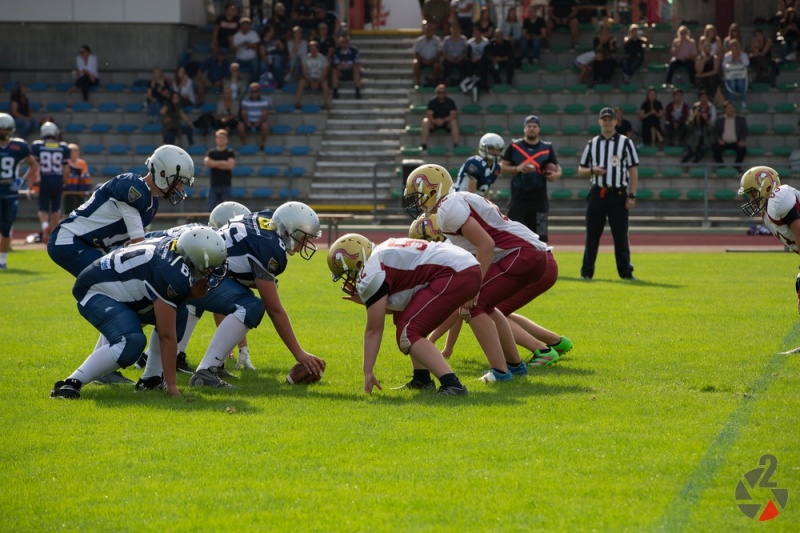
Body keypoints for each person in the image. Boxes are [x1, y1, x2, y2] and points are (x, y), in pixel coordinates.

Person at [47, 145, 195, 383]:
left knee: (126, 295)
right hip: (70, 242)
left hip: (89, 246)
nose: (179, 187)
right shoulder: (133, 188)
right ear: (163, 173)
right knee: (123, 294)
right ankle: (105, 367)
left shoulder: (150, 201)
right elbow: (139, 243)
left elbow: (133, 245)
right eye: (178, 181)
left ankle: (105, 364)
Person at [404, 163, 552, 382]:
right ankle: (515, 366)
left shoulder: (447, 209)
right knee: (487, 307)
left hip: (520, 254)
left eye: (419, 194)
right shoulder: (455, 201)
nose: (417, 201)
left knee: (474, 306)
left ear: (433, 189)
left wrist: (473, 287)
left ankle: (501, 372)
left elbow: (486, 244)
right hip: (526, 254)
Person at [50, 228, 228, 400]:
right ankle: (71, 383)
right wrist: (172, 385)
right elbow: (166, 336)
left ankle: (151, 379)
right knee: (131, 341)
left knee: (179, 314)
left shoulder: (175, 252)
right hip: (95, 291)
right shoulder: (170, 272)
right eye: (208, 267)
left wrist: (189, 295)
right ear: (194, 258)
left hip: (119, 288)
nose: (209, 273)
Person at [188, 202, 327, 388]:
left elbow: (233, 270)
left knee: (241, 298)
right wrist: (299, 353)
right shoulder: (271, 249)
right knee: (252, 306)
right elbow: (274, 310)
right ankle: (205, 370)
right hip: (198, 277)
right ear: (288, 232)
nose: (304, 245)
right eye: (303, 238)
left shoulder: (267, 219)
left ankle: (194, 366)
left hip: (197, 268)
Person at [409, 213, 572, 368]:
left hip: (528, 263)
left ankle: (542, 351)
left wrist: (433, 340)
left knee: (487, 312)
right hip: (541, 261)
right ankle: (556, 342)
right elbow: (460, 307)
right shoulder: (456, 237)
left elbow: (458, 308)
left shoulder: (451, 248)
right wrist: (447, 347)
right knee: (493, 310)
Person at [328, 233, 474, 395]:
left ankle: (453, 385)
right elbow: (396, 307)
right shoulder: (381, 252)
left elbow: (374, 329)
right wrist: (368, 301)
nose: (349, 279)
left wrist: (367, 371)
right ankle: (422, 379)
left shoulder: (370, 271)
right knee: (403, 318)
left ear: (357, 261)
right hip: (463, 266)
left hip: (456, 272)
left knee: (408, 333)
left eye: (347, 273)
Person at [578, 107, 640, 281]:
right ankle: (587, 272)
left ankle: (626, 272)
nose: (607, 122)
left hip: (618, 194)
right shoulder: (592, 143)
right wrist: (593, 170)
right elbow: (581, 169)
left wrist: (632, 194)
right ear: (599, 122)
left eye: (609, 119)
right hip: (597, 193)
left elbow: (633, 170)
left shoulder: (625, 143)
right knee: (592, 235)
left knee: (620, 235)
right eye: (604, 119)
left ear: (615, 121)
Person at [737, 166, 800, 312]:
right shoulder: (767, 214)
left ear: (766, 186)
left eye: (753, 194)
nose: (752, 200)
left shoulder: (778, 199)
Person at [499, 115, 561, 243]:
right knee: (512, 235)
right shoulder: (514, 146)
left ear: (539, 129)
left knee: (541, 237)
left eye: (534, 126)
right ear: (524, 129)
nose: (532, 129)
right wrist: (517, 168)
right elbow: (502, 166)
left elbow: (558, 169)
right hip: (518, 198)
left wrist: (554, 175)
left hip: (539, 198)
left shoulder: (547, 148)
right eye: (529, 126)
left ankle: (542, 263)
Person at [0, 113, 39, 270]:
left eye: (4, 129)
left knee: (6, 227)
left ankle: (2, 261)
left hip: (9, 190)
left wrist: (21, 180)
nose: (2, 132)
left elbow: (33, 165)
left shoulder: (19, 146)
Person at [31, 122, 70, 244]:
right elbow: (66, 170)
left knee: (43, 208)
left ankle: (44, 226)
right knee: (55, 208)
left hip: (44, 179)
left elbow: (35, 165)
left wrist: (33, 181)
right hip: (57, 179)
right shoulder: (63, 147)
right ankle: (54, 233)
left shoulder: (38, 146)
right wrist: (64, 181)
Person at [454, 132, 504, 197]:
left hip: (475, 202)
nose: (494, 152)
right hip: (460, 200)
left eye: (497, 150)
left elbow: (485, 192)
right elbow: (471, 195)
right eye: (491, 149)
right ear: (484, 147)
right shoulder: (475, 163)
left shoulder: (495, 167)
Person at [419, 83, 459, 151]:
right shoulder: (432, 102)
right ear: (436, 93)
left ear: (445, 93)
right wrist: (435, 121)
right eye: (439, 92)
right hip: (434, 123)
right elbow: (429, 114)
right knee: (425, 121)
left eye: (443, 92)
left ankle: (456, 143)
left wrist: (443, 120)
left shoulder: (450, 102)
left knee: (454, 122)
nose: (441, 94)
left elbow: (453, 114)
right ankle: (424, 144)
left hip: (446, 123)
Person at [204, 130, 236, 211]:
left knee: (226, 210)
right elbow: (207, 163)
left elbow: (230, 166)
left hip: (226, 186)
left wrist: (214, 163)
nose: (221, 139)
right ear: (216, 139)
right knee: (210, 210)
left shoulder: (230, 152)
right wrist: (222, 163)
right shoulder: (211, 152)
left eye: (223, 138)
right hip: (213, 185)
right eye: (219, 138)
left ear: (227, 140)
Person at [712, 100, 748, 171]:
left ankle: (736, 167)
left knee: (743, 149)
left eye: (732, 107)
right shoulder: (720, 120)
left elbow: (745, 131)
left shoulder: (740, 119)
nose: (731, 109)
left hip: (736, 142)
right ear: (725, 109)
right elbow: (715, 132)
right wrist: (719, 140)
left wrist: (742, 140)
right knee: (715, 147)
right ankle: (721, 167)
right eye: (728, 108)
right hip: (723, 142)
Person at [682, 89, 716, 163]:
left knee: (702, 150)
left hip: (702, 141)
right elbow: (688, 126)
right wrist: (694, 116)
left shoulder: (704, 122)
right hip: (693, 141)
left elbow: (710, 130)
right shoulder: (692, 122)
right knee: (691, 151)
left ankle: (694, 164)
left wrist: (706, 120)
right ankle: (682, 164)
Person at [295, 40, 330, 110]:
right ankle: (298, 102)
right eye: (311, 49)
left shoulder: (323, 58)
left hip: (319, 78)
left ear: (317, 49)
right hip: (308, 78)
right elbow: (304, 72)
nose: (312, 50)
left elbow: (324, 73)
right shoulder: (305, 58)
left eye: (314, 48)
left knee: (325, 84)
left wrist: (318, 82)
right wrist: (311, 81)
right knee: (301, 82)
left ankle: (325, 103)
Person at [239, 82, 271, 148]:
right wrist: (247, 122)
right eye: (253, 91)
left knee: (265, 126)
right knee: (240, 126)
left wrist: (259, 122)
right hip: (248, 121)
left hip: (259, 121)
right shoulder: (245, 101)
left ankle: (262, 144)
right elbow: (243, 113)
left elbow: (265, 114)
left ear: (259, 92)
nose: (254, 93)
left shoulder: (264, 101)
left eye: (256, 91)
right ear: (250, 92)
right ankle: (244, 143)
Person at [63, 143, 92, 215]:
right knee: (68, 206)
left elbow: (85, 174)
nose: (72, 154)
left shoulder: (82, 163)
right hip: (68, 189)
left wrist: (84, 188)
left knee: (80, 206)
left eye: (74, 152)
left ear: (78, 153)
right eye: (70, 152)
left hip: (79, 189)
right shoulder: (65, 163)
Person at [232, 17, 263, 83]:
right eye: (244, 24)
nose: (246, 26)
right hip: (240, 59)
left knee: (256, 65)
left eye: (247, 24)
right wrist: (240, 45)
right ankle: (236, 82)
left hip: (252, 58)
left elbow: (257, 46)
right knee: (233, 66)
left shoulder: (254, 34)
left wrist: (248, 45)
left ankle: (254, 83)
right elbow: (233, 49)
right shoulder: (236, 36)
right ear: (241, 26)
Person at [331, 34, 362, 99]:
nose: (344, 43)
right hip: (341, 72)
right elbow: (335, 62)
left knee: (356, 69)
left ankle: (357, 91)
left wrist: (348, 65)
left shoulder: (354, 50)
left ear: (349, 42)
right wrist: (340, 67)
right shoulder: (337, 51)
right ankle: (335, 91)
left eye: (346, 41)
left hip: (351, 71)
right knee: (334, 71)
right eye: (343, 42)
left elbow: (357, 62)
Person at [413, 21, 442, 88]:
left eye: (430, 30)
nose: (428, 32)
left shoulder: (437, 40)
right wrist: (423, 60)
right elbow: (416, 53)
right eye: (427, 30)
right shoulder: (419, 41)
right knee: (415, 63)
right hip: (422, 60)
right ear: (424, 31)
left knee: (437, 65)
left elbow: (440, 52)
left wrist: (432, 59)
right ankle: (418, 82)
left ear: (433, 31)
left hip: (433, 60)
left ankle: (434, 81)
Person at [722, 39, 750, 109]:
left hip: (740, 74)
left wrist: (740, 60)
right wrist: (730, 62)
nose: (734, 49)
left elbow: (747, 63)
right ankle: (732, 101)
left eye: (735, 47)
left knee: (741, 84)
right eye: (732, 47)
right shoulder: (727, 55)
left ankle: (742, 101)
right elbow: (723, 65)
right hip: (731, 75)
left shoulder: (743, 55)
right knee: (732, 85)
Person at [441, 22, 468, 86]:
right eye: (453, 29)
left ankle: (463, 81)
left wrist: (460, 58)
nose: (455, 31)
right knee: (446, 63)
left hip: (460, 58)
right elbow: (443, 51)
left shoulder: (463, 39)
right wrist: (449, 58)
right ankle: (446, 81)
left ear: (459, 30)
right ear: (451, 30)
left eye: (457, 29)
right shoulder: (446, 39)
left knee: (464, 64)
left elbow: (466, 51)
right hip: (449, 58)